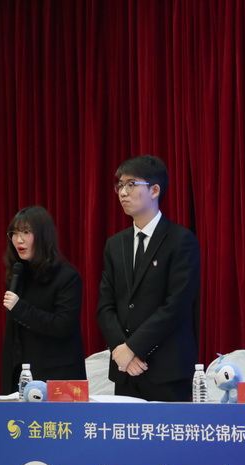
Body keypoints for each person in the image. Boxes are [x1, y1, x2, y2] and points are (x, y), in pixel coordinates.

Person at [96, 155, 201, 402]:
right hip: (125, 370)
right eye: (120, 185)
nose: (123, 192)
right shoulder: (115, 244)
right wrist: (122, 350)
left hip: (167, 369)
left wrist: (134, 348)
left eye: (131, 184)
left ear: (154, 190)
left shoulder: (180, 240)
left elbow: (176, 305)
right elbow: (105, 306)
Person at [0, 206, 87, 394]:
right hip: (19, 376)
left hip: (57, 378)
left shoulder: (66, 277)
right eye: (14, 233)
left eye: (26, 232)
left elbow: (63, 326)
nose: (19, 239)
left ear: (43, 236)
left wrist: (20, 308)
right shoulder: (18, 275)